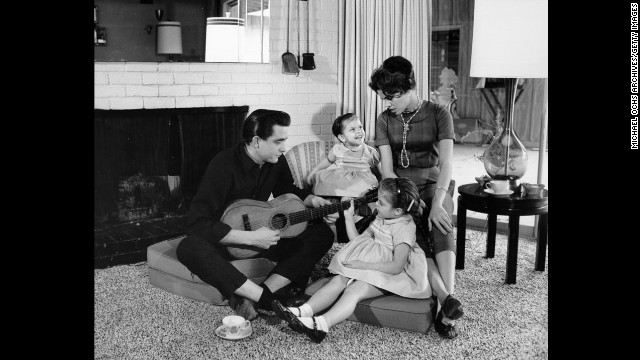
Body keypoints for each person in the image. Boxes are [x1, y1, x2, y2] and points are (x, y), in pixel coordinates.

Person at [176, 109, 336, 321]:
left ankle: (256, 296)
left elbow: (287, 190)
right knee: (188, 247)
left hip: (265, 239)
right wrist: (251, 238)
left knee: (322, 233)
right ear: (257, 141)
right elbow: (197, 223)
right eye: (278, 142)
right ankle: (266, 299)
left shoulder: (276, 161)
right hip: (228, 242)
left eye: (285, 141)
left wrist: (311, 201)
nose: (284, 148)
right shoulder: (223, 165)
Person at [272, 178, 444, 343]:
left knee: (354, 290)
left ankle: (322, 325)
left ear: (398, 211)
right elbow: (359, 240)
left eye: (381, 203)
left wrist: (363, 266)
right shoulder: (383, 216)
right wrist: (348, 217)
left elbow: (396, 266)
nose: (376, 205)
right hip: (373, 263)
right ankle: (303, 311)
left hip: (392, 272)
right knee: (338, 280)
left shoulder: (404, 228)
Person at [368, 55, 464, 339]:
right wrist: (405, 198)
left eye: (392, 96)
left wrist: (436, 203)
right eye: (384, 97)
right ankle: (446, 304)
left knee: (440, 222)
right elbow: (386, 168)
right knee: (412, 235)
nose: (387, 103)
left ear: (410, 86)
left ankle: (446, 301)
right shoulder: (384, 119)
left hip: (436, 183)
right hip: (399, 187)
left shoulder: (439, 113)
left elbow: (446, 164)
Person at [306, 113, 381, 241]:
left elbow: (381, 169)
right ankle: (336, 216)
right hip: (341, 180)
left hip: (361, 180)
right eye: (352, 129)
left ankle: (371, 210)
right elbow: (327, 162)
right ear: (342, 137)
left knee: (368, 193)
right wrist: (314, 172)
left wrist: (383, 182)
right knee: (326, 183)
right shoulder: (337, 150)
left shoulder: (370, 151)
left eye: (360, 127)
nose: (359, 132)